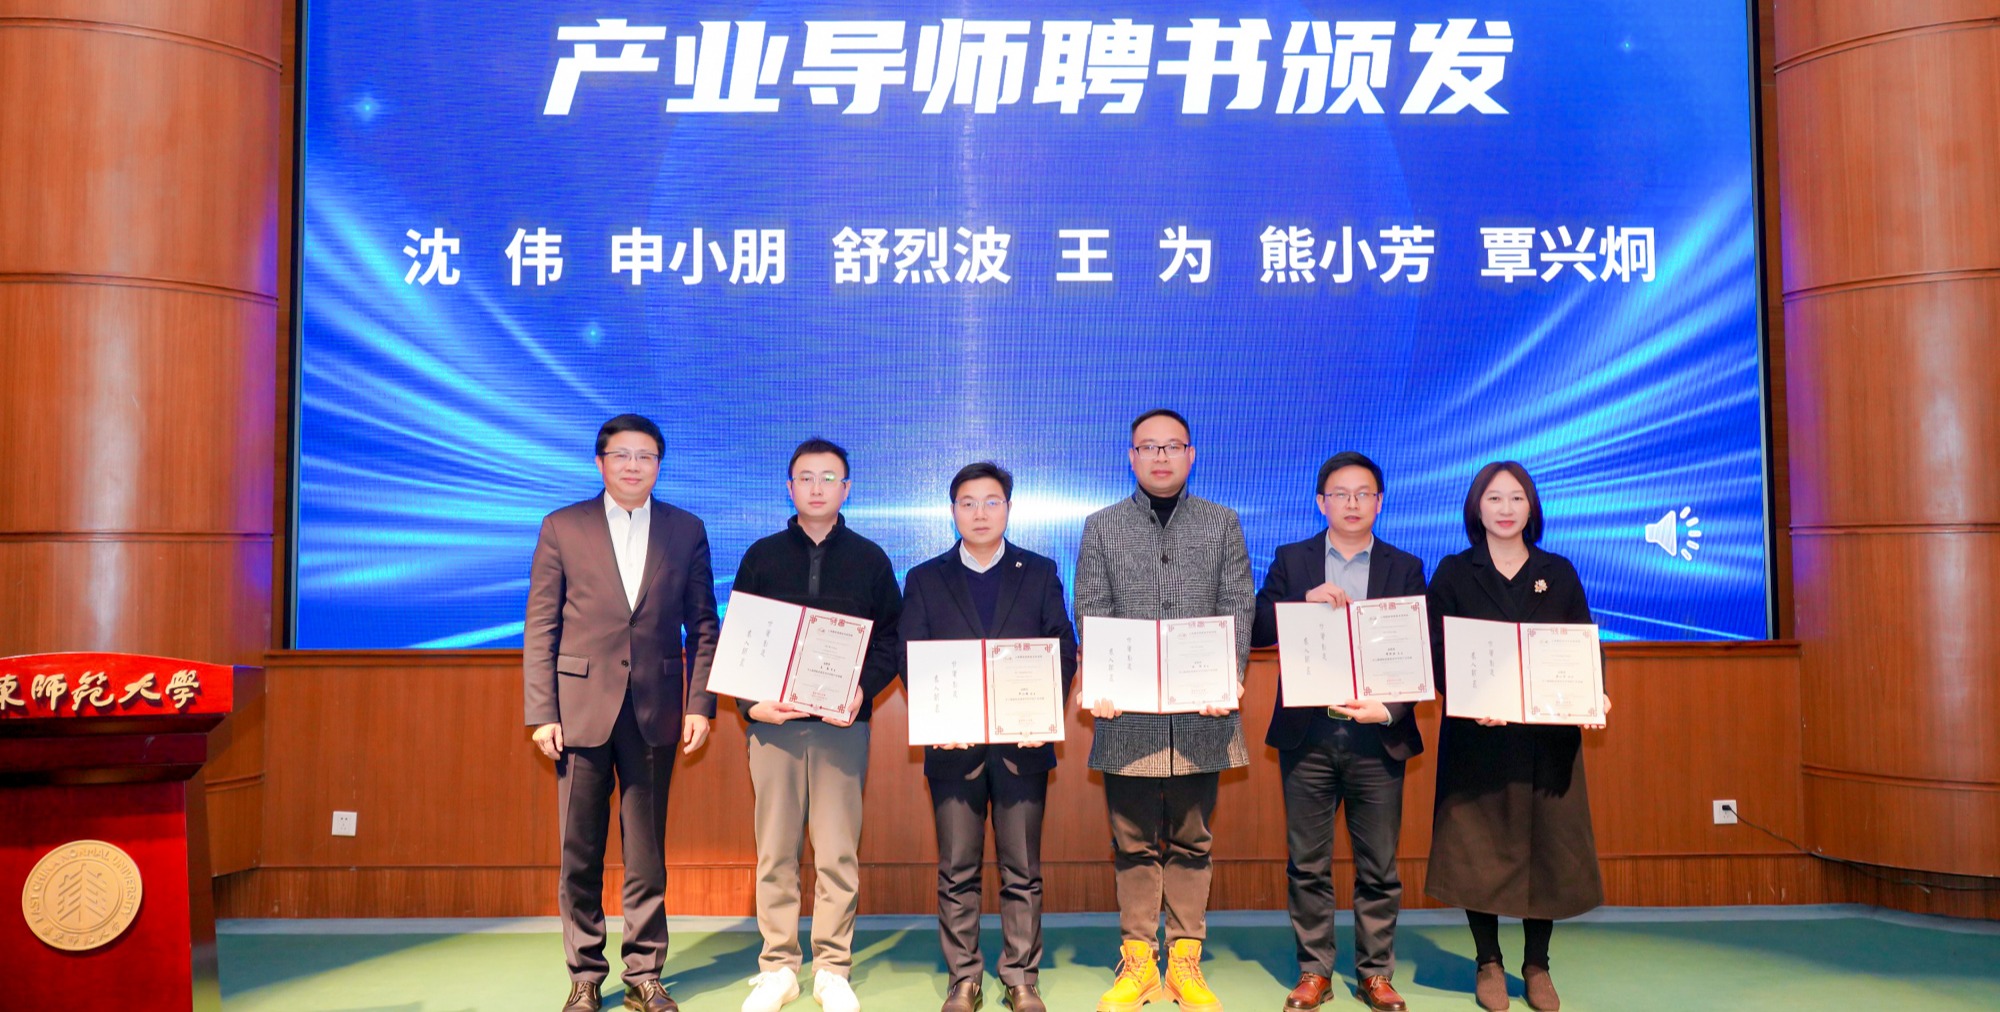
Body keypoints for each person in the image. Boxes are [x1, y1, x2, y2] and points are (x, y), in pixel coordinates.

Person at [524, 413, 720, 1012]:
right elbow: (542, 625)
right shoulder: (562, 526)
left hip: (656, 709)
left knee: (646, 852)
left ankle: (644, 974)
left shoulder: (685, 529)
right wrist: (541, 711)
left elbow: (703, 625)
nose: (634, 466)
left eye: (646, 456)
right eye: (622, 455)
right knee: (579, 851)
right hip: (579, 712)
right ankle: (585, 974)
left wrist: (700, 704)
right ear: (600, 462)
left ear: (659, 465)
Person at [1076, 409, 1255, 1012]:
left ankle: (1184, 962)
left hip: (1202, 714)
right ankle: (1138, 963)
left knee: (1192, 840)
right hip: (1126, 716)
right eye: (1148, 447)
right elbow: (1091, 608)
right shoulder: (1101, 526)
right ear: (1131, 457)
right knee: (1131, 842)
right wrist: (1099, 681)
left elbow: (1238, 605)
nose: (1160, 457)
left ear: (1191, 454)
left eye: (1172, 446)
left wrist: (1228, 679)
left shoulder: (1222, 523)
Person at [1425, 462, 1609, 1012]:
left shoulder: (1559, 570)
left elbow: (1582, 642)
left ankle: (1536, 965)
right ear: (1476, 507)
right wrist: (1468, 698)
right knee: (1477, 849)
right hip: (1477, 739)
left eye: (1516, 498)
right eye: (1494, 498)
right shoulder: (1455, 571)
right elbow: (1437, 651)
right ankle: (1488, 960)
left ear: (1532, 507)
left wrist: (1593, 694)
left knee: (1545, 849)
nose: (1505, 509)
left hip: (1547, 738)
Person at [899, 462, 1078, 1012]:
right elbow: (910, 656)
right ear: (953, 511)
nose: (980, 513)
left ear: (1008, 508)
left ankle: (1021, 977)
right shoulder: (925, 577)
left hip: (1023, 747)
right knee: (957, 870)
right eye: (968, 503)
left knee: (1023, 871)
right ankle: (965, 978)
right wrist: (937, 720)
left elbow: (1062, 648)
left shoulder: (1040, 571)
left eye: (991, 501)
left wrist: (1042, 715)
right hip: (953, 750)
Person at [1250, 452, 1424, 1012]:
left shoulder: (1405, 566)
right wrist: (1298, 603)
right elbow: (1256, 627)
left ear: (1379, 502)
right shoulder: (1292, 559)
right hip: (1309, 733)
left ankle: (1375, 974)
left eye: (1363, 493)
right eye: (1340, 494)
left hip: (1377, 734)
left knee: (1379, 867)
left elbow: (1418, 651)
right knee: (1308, 863)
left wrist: (1390, 710)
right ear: (1321, 502)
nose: (1352, 503)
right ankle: (1314, 972)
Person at [735, 438, 903, 1012]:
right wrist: (749, 705)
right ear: (789, 487)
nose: (816, 487)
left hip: (840, 728)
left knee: (836, 854)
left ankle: (832, 967)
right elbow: (741, 639)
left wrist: (860, 692)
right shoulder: (761, 556)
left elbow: (890, 639)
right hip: (773, 727)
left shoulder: (870, 559)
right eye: (805, 477)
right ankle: (778, 967)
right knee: (775, 852)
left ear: (846, 489)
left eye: (829, 478)